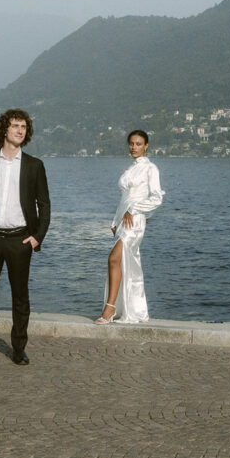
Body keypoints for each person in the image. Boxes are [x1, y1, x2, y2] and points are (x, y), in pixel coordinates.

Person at [0, 108, 51, 365]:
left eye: (23, 127)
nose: (19, 130)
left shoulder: (35, 165)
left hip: (20, 240)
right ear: (4, 129)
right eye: (15, 126)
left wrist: (37, 237)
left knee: (20, 297)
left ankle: (18, 350)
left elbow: (44, 205)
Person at [95, 130, 164, 324]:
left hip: (135, 221)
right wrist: (114, 222)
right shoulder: (130, 169)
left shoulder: (151, 169)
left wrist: (134, 209)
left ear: (146, 146)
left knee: (113, 259)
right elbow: (124, 199)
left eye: (138, 144)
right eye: (132, 143)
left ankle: (109, 308)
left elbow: (156, 198)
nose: (134, 147)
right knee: (120, 262)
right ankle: (121, 308)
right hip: (122, 221)